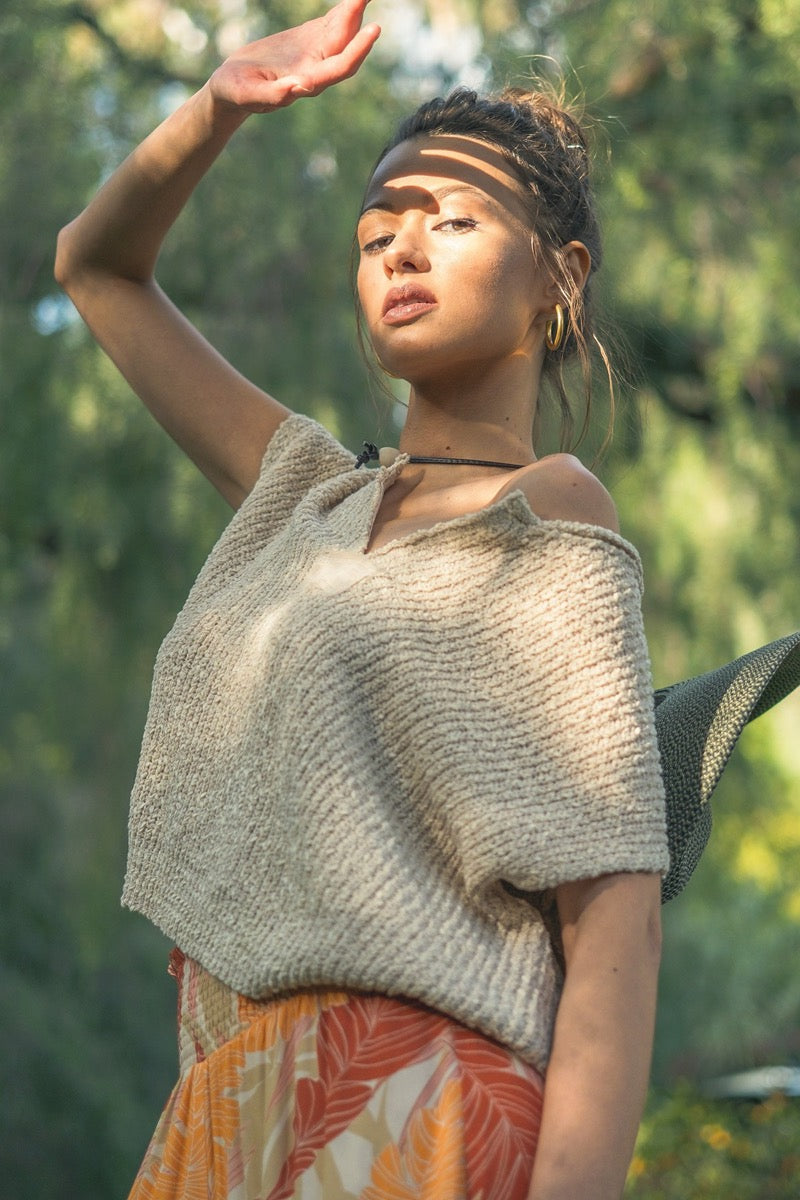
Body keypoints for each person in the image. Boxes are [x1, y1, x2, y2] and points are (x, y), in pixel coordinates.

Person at [54, 2, 670, 1197]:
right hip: (226, 1107)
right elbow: (97, 268)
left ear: (560, 276)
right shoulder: (304, 495)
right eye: (376, 228)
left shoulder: (549, 507)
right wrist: (220, 105)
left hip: (414, 1103)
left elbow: (614, 918)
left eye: (451, 221)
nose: (401, 249)